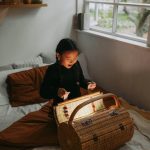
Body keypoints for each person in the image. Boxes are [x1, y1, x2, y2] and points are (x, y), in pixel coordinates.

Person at [40, 38, 96, 105]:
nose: (72, 62)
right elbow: (43, 92)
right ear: (58, 56)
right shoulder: (52, 69)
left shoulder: (76, 64)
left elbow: (81, 80)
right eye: (68, 58)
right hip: (61, 106)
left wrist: (88, 84)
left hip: (77, 102)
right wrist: (57, 91)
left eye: (75, 58)